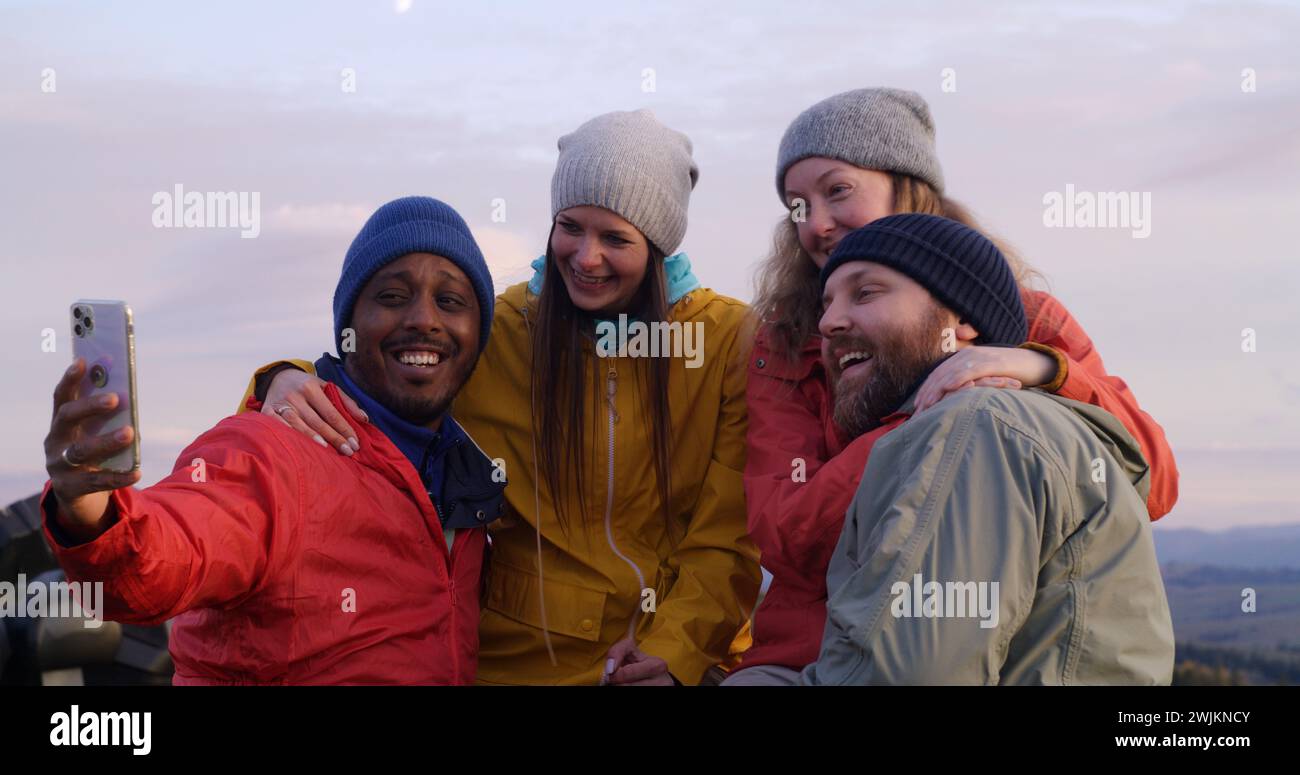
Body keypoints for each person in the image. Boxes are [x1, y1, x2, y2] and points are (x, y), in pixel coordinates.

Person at [242, 110, 761, 685]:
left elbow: (729, 534)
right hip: (511, 660)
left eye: (615, 237)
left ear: (658, 245)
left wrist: (675, 653)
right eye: (570, 226)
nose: (586, 257)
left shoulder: (725, 343)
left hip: (666, 658)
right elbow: (378, 382)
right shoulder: (502, 329)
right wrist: (280, 379)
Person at [729, 87, 1180, 680]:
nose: (815, 223)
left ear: (907, 186)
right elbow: (787, 533)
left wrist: (1046, 370)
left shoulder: (1027, 318)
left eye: (836, 190)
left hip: (1002, 643)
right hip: (808, 653)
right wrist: (927, 423)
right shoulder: (789, 342)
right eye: (797, 205)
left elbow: (1150, 481)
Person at [39, 196, 506, 684]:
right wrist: (89, 503)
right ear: (348, 325)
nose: (423, 319)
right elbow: (155, 565)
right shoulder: (272, 450)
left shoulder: (467, 481)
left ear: (479, 334)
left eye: (450, 301)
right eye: (391, 296)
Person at [793, 213, 1174, 684]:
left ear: (963, 320)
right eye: (825, 305)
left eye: (866, 292)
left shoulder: (973, 426)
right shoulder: (997, 421)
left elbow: (906, 672)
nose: (829, 322)